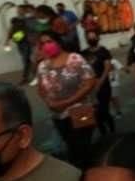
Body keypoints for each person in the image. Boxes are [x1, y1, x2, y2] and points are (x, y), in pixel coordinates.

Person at [36, 32, 97, 167]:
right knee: (70, 144)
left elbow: (89, 82)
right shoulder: (43, 66)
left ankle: (89, 174)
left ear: (59, 42)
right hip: (58, 115)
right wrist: (49, 102)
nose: (47, 45)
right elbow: (40, 89)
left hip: (81, 111)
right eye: (43, 43)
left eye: (49, 41)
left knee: (83, 146)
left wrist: (66, 103)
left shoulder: (75, 59)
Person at [81, 30, 115, 137]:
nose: (92, 39)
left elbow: (107, 67)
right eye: (89, 37)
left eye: (93, 37)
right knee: (95, 112)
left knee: (104, 110)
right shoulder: (84, 53)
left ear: (98, 38)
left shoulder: (103, 51)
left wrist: (100, 81)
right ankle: (103, 133)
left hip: (103, 85)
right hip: (90, 87)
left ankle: (112, 130)